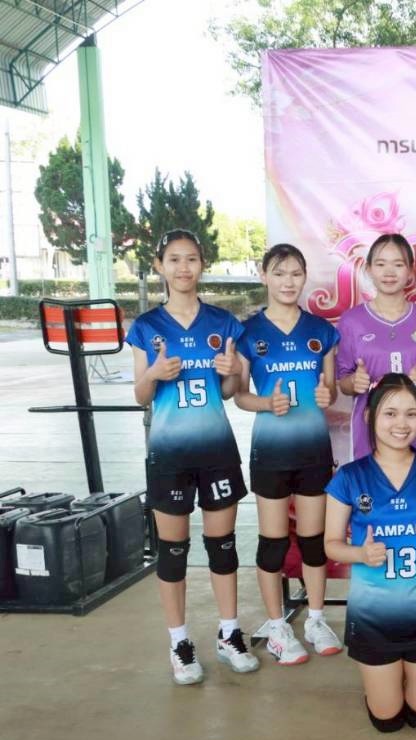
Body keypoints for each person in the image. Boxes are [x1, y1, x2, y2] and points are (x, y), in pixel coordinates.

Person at [126, 229, 256, 684]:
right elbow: (140, 395)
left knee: (223, 546)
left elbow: (230, 391)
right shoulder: (147, 327)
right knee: (173, 551)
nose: (184, 268)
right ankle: (179, 642)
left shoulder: (222, 323)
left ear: (203, 264)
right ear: (159, 265)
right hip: (169, 454)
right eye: (174, 259)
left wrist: (232, 372)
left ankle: (229, 633)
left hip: (216, 449)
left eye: (192, 259)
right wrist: (155, 373)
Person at [324, 374, 416, 732]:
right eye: (390, 413)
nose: (401, 424)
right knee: (387, 721)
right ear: (369, 416)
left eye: (411, 414)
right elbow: (331, 544)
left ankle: (407, 677)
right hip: (373, 615)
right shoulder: (349, 478)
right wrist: (361, 554)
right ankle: (383, 683)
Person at [234, 243, 343, 664]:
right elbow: (239, 395)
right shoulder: (248, 333)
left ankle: (315, 619)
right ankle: (278, 626)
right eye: (279, 273)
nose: (288, 281)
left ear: (304, 277)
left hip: (313, 449)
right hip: (270, 451)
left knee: (314, 542)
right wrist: (266, 403)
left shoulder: (321, 331)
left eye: (296, 273)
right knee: (274, 542)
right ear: (264, 276)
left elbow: (330, 390)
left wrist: (327, 394)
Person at [336, 233, 416, 461]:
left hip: (413, 425)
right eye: (381, 264)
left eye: (398, 264)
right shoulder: (352, 321)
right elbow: (343, 383)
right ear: (369, 269)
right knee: (370, 481)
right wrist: (354, 382)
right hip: (368, 425)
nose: (389, 272)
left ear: (410, 271)